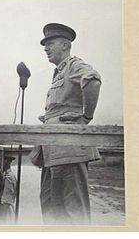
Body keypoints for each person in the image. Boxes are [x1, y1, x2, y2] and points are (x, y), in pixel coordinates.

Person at [36, 23, 102, 225]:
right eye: (45, 45)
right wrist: (49, 118)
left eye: (51, 43)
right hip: (53, 150)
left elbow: (93, 80)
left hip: (69, 148)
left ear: (65, 45)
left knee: (73, 210)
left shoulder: (74, 65)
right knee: (50, 206)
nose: (46, 49)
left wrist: (86, 117)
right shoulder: (58, 73)